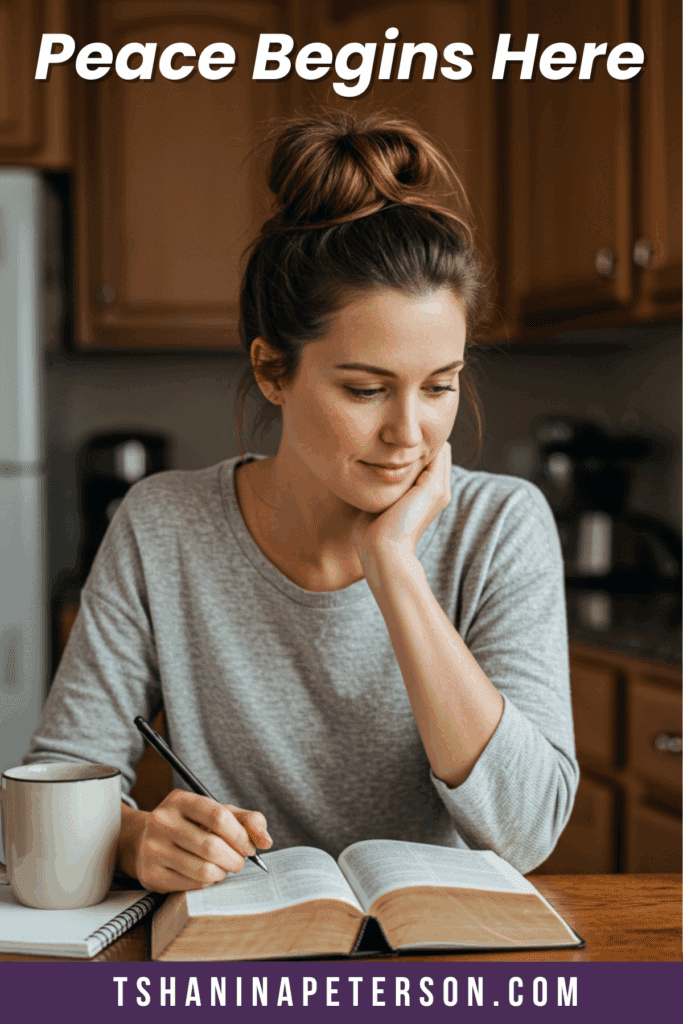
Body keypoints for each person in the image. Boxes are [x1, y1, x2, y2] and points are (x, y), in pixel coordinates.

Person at [25, 112, 578, 893]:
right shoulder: (164, 525)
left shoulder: (501, 526)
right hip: (240, 938)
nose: (408, 433)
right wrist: (133, 837)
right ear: (271, 371)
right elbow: (60, 777)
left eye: (439, 387)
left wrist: (392, 566)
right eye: (365, 389)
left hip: (442, 947)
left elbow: (526, 833)